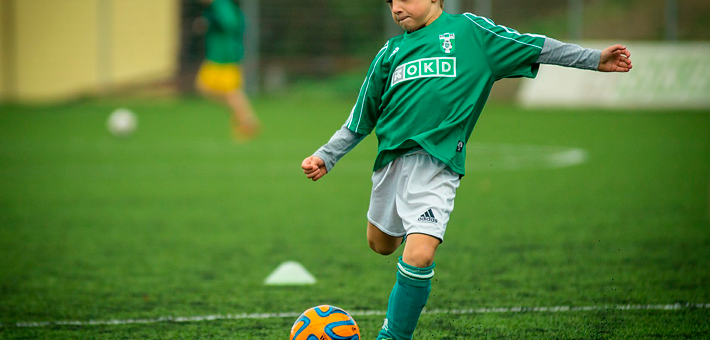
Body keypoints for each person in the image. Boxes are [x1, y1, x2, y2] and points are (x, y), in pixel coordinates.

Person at [301, 0, 632, 339]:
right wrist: (326, 156)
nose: (397, 7)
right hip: (390, 165)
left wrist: (593, 59)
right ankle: (408, 225)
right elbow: (360, 118)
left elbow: (536, 45)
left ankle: (394, 335)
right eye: (390, 2)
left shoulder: (471, 33)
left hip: (437, 166)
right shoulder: (389, 53)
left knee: (419, 254)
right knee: (381, 244)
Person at [195, 0, 260, 141]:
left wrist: (210, 22)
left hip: (224, 56)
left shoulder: (221, 4)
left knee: (229, 92)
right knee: (214, 90)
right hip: (220, 55)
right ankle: (245, 118)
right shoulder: (216, 6)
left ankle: (247, 121)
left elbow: (231, 23)